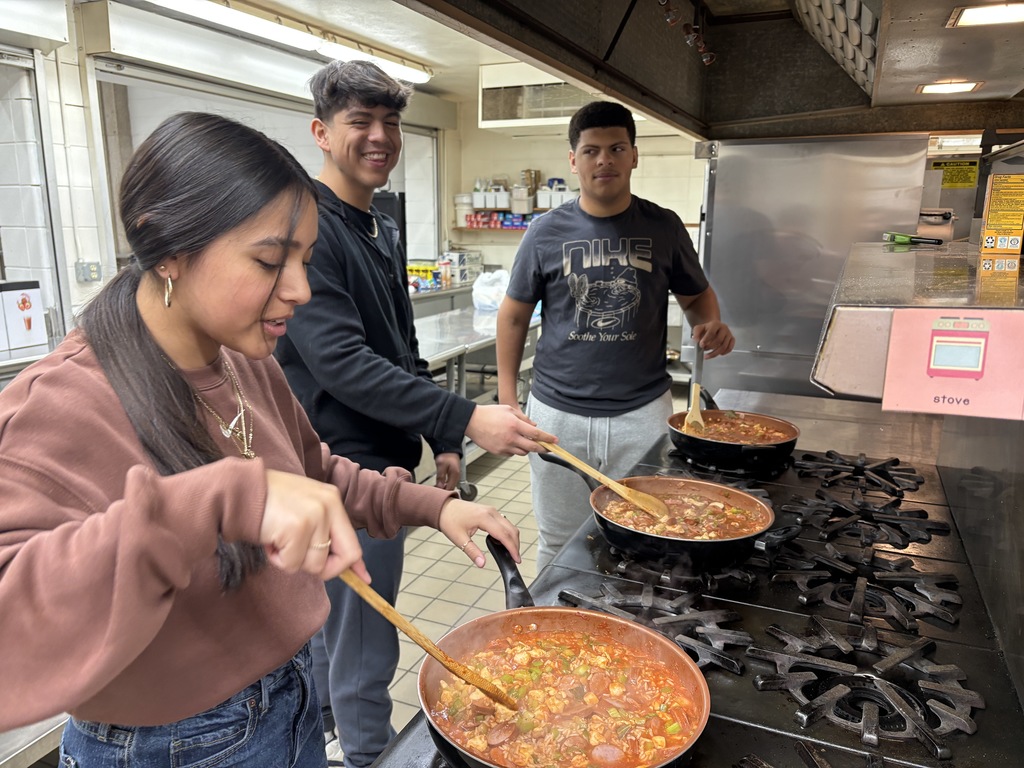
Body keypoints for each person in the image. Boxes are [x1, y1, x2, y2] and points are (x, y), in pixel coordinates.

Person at [0, 112, 521, 767]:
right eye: (271, 261)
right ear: (168, 250)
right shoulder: (59, 404)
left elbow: (312, 474)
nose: (300, 290)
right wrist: (220, 501)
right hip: (168, 746)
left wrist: (431, 506)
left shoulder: (241, 359)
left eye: (305, 260)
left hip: (287, 704)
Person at [274, 61, 554, 767]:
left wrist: (442, 435)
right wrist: (468, 415)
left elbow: (399, 344)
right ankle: (367, 754)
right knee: (364, 642)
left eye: (391, 122)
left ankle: (330, 730)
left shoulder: (380, 222)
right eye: (360, 121)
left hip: (387, 467)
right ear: (321, 132)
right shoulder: (311, 230)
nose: (380, 136)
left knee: (337, 628)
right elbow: (342, 362)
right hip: (342, 468)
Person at [496, 100, 735, 570]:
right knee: (559, 540)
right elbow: (513, 317)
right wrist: (507, 397)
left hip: (641, 413)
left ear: (634, 155)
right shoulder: (544, 232)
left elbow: (697, 297)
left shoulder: (663, 227)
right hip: (557, 415)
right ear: (574, 160)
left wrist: (709, 323)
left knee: (645, 537)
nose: (603, 160)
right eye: (591, 151)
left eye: (616, 148)